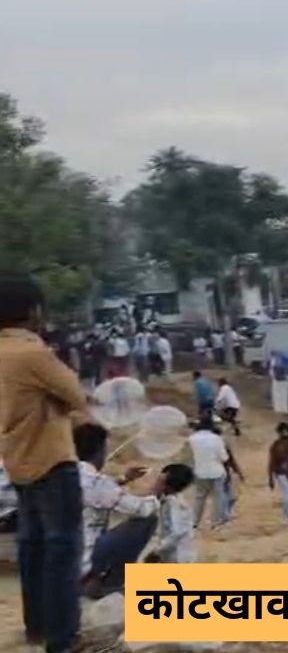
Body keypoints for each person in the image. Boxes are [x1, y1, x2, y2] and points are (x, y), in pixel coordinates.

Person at [0, 276, 88, 652]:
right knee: (62, 550)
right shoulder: (32, 353)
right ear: (33, 311)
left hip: (18, 459)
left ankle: (36, 626)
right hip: (52, 460)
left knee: (32, 546)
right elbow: (76, 394)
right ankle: (62, 639)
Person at [76, 423, 157, 598]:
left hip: (61, 562)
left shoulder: (65, 476)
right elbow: (143, 509)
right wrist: (157, 491)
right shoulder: (98, 482)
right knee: (146, 521)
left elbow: (93, 492)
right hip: (84, 561)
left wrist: (123, 479)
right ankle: (109, 582)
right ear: (100, 451)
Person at [145, 463, 197, 563]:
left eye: (159, 480)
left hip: (178, 556)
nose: (155, 482)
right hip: (172, 555)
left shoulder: (175, 504)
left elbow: (177, 532)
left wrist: (156, 551)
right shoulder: (167, 501)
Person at [188, 417, 231, 529]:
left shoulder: (192, 439)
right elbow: (224, 458)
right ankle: (216, 522)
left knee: (199, 497)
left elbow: (189, 457)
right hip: (216, 471)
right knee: (218, 497)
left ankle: (195, 522)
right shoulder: (216, 439)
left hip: (199, 472)